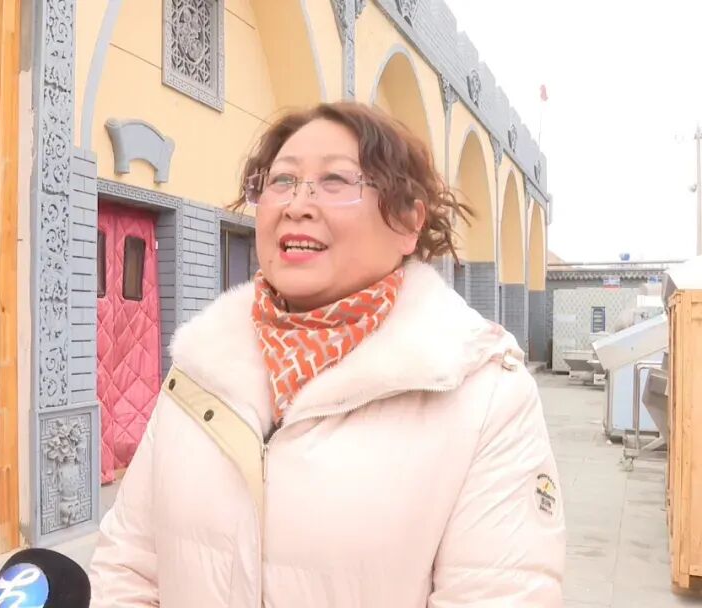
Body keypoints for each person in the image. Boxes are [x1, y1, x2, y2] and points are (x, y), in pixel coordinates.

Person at [88, 101, 566, 607]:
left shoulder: (483, 393)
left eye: (336, 181)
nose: (298, 204)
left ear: (408, 221)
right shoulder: (198, 370)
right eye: (282, 181)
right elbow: (128, 565)